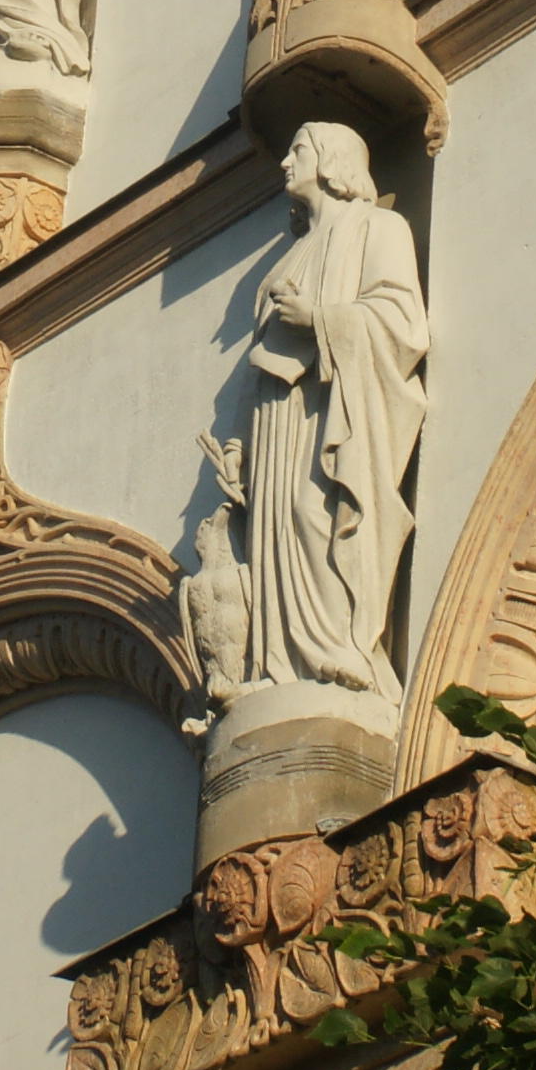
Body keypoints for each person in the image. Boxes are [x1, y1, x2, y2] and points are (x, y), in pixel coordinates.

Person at [218, 121, 429, 709]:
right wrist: (237, 445)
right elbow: (255, 367)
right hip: (277, 416)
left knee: (316, 509)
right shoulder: (286, 260)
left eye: (298, 150)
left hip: (333, 407)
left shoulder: (379, 228)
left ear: (333, 161)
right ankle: (280, 658)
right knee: (278, 520)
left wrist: (319, 319)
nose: (285, 162)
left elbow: (400, 320)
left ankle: (338, 644)